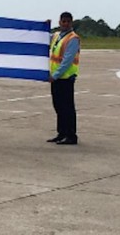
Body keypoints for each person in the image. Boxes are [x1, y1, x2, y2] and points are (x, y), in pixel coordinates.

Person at [47, 12, 81, 145]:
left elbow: (67, 61)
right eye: (63, 21)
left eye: (68, 21)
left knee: (67, 107)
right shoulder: (56, 35)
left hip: (66, 78)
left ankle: (71, 135)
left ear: (71, 23)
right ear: (59, 22)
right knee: (58, 106)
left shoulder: (73, 38)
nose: (65, 24)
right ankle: (61, 133)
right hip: (56, 78)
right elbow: (43, 38)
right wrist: (43, 27)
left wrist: (54, 75)